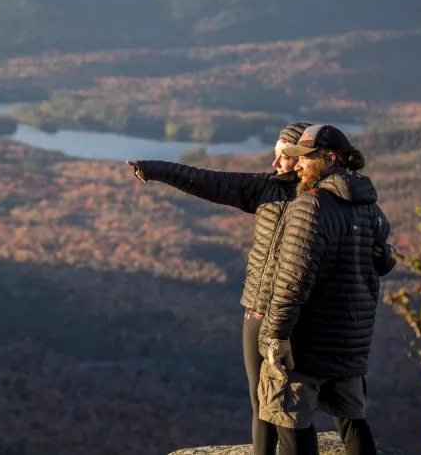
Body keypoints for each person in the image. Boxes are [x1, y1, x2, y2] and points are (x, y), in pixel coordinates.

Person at [126, 123, 395, 455]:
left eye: (289, 155)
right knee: (298, 408)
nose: (282, 163)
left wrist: (277, 333)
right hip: (320, 323)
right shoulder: (274, 189)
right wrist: (155, 169)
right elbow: (210, 181)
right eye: (281, 156)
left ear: (325, 158)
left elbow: (298, 276)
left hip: (294, 320)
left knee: (288, 410)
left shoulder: (319, 202)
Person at [257, 124, 392, 455]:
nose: (298, 165)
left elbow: (292, 279)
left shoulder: (311, 205)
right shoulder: (369, 207)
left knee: (291, 422)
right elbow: (380, 257)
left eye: (305, 159)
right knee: (352, 422)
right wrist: (385, 256)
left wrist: (276, 336)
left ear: (330, 159)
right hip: (350, 342)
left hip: (307, 342)